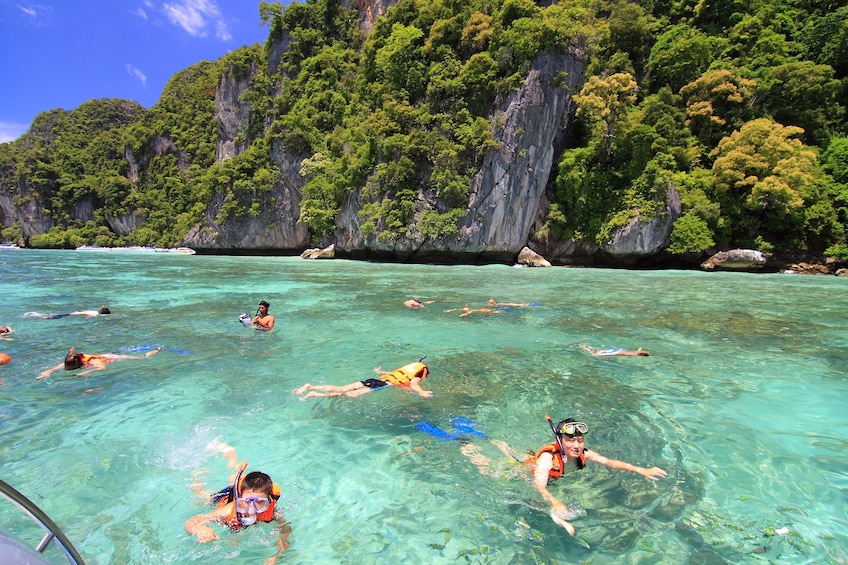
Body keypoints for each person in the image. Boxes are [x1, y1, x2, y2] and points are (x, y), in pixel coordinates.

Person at [459, 418, 667, 536]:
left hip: (534, 464)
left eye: (580, 440)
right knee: (490, 470)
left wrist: (642, 470)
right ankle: (466, 444)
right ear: (559, 441)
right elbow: (539, 486)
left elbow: (610, 462)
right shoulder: (548, 459)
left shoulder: (583, 454)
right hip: (524, 471)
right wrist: (556, 501)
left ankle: (493, 440)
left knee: (516, 454)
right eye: (570, 440)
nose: (576, 445)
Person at [185, 442, 291, 564]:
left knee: (239, 482)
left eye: (260, 502)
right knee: (201, 498)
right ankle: (197, 476)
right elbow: (191, 522)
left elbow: (286, 531)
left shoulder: (271, 513)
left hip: (244, 491)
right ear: (239, 498)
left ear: (269, 501)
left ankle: (232, 458)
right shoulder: (229, 510)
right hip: (224, 497)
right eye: (246, 502)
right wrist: (200, 529)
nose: (252, 508)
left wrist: (276, 554)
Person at [294, 358, 431, 400]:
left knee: (343, 389)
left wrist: (379, 371)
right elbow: (414, 384)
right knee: (349, 395)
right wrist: (421, 392)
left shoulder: (405, 370)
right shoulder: (417, 374)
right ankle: (314, 394)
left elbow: (394, 375)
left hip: (373, 380)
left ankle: (312, 388)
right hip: (379, 385)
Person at [37, 346, 161, 379]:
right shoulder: (77, 361)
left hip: (116, 358)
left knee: (143, 358)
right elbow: (59, 367)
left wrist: (87, 373)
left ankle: (156, 350)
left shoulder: (92, 361)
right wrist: (48, 371)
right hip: (104, 356)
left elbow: (102, 368)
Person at [25, 305, 112, 319]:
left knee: (55, 316)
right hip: (71, 315)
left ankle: (39, 315)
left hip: (74, 313)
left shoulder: (95, 311)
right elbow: (85, 315)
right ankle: (38, 316)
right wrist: (86, 317)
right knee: (52, 318)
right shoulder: (96, 314)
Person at [578, 343, 649, 357]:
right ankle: (584, 346)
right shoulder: (634, 353)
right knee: (595, 354)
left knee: (595, 352)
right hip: (615, 352)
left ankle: (584, 346)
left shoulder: (634, 353)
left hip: (614, 351)